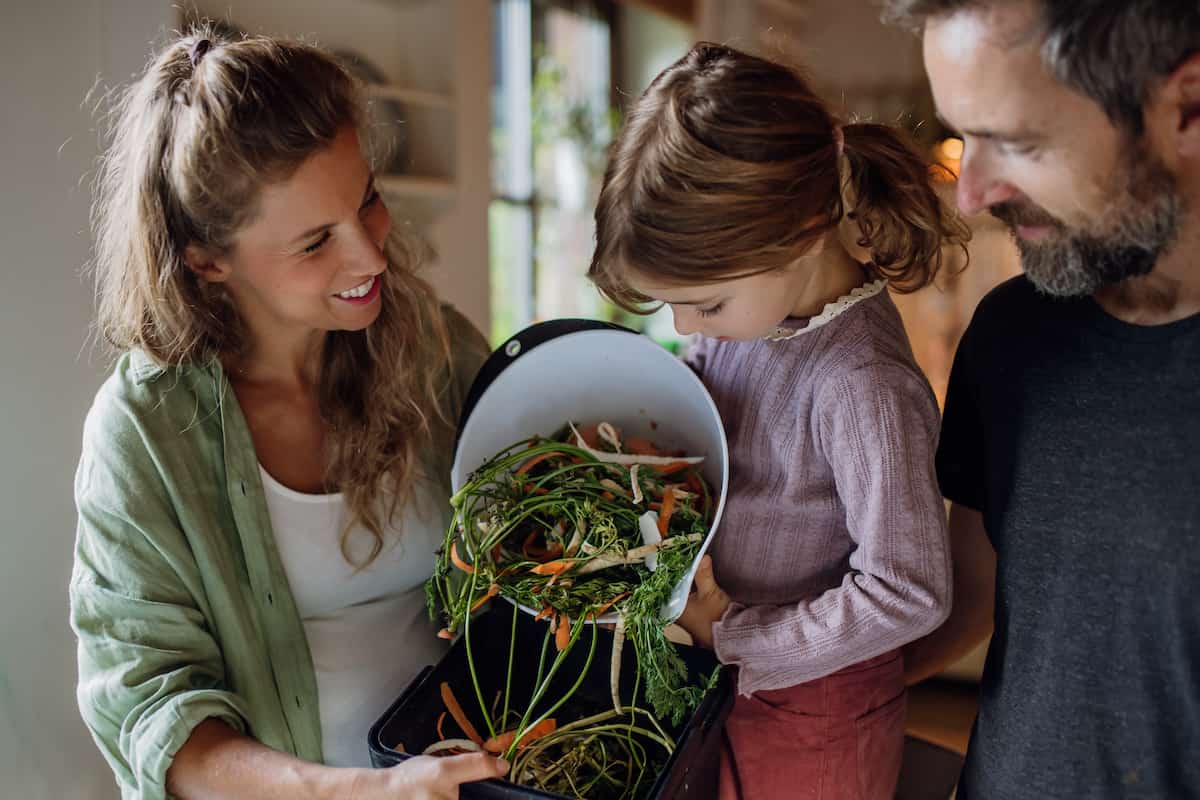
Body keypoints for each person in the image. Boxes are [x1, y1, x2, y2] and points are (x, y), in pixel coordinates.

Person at [69, 27, 507, 799]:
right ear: (208, 260)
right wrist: (366, 791)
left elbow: (528, 506)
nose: (371, 257)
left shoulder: (429, 343)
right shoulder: (142, 435)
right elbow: (153, 717)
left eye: (366, 200)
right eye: (314, 243)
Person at [588, 42, 968, 800]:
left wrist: (734, 637)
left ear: (799, 231)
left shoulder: (861, 383)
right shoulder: (746, 324)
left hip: (815, 708)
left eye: (706, 303)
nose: (688, 323)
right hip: (723, 678)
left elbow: (910, 590)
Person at [882, 0, 1200, 797]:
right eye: (964, 134)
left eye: (1017, 142)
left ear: (1186, 107)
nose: (972, 193)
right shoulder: (1013, 335)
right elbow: (972, 604)